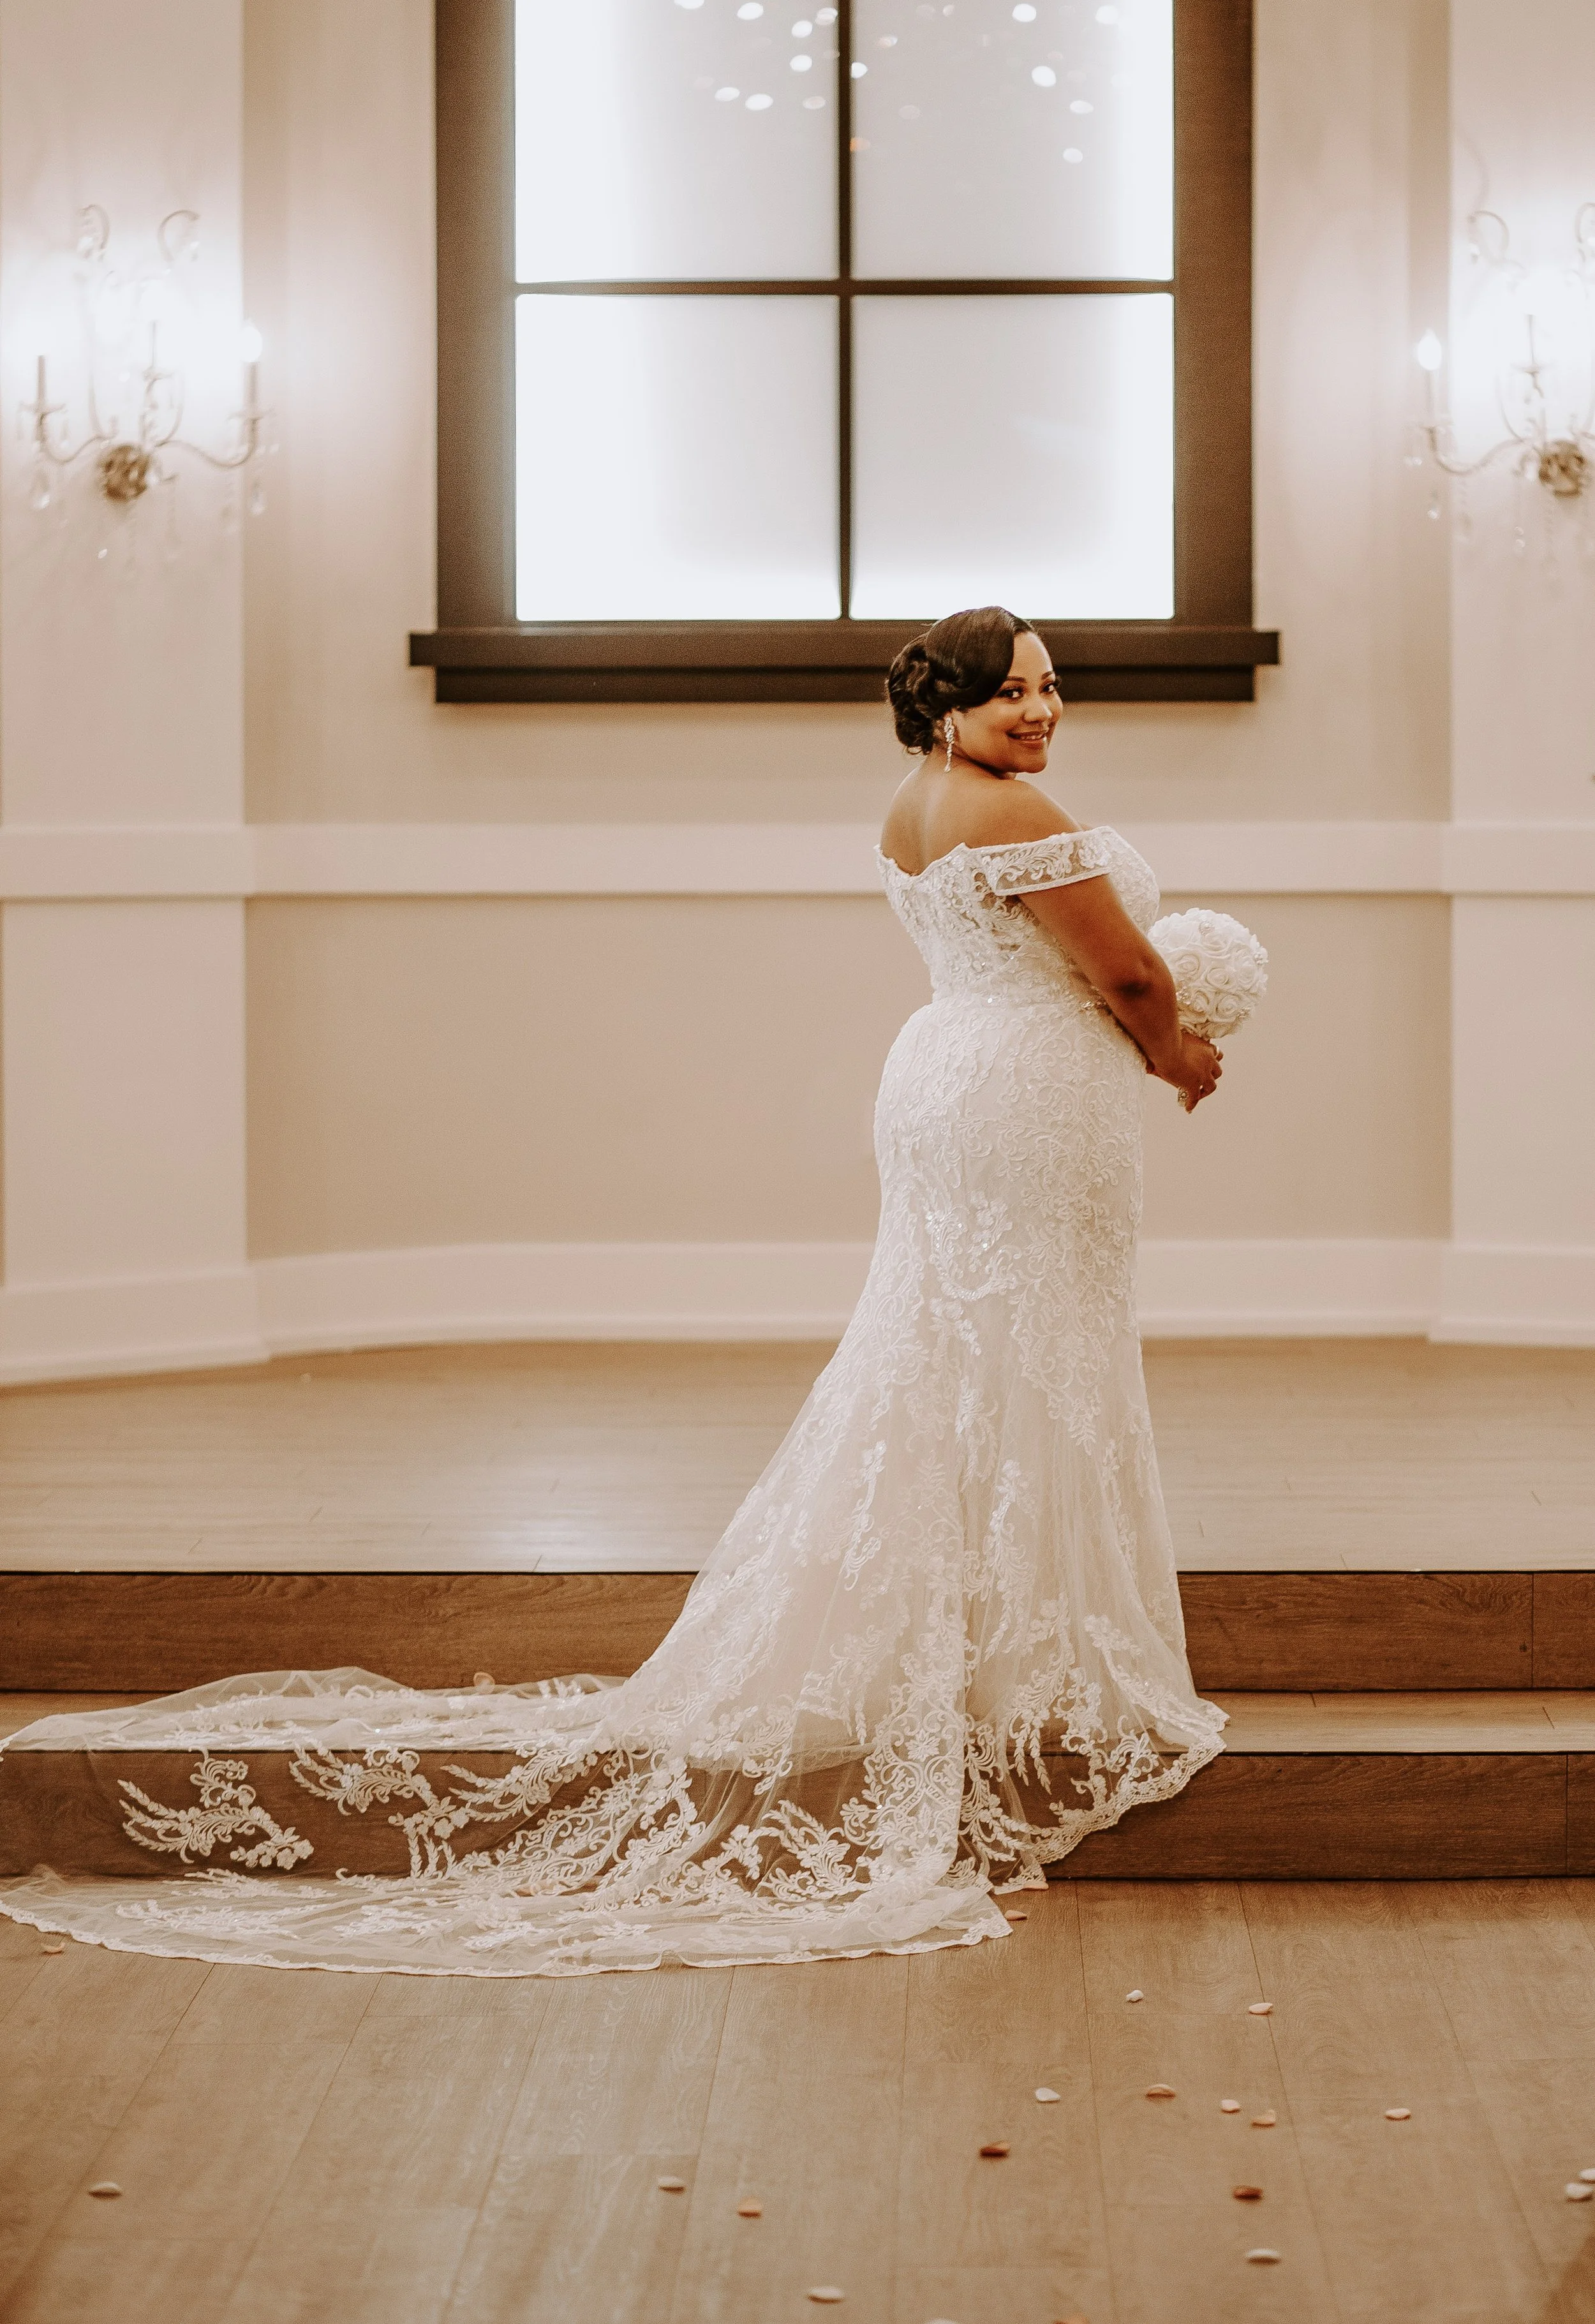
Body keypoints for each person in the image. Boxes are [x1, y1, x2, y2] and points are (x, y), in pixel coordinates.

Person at [0, 606, 1225, 1979]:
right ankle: (1023, 1658)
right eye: (1012, 696)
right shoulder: (1010, 813)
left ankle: (972, 1640)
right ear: (948, 703)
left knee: (942, 1354)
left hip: (949, 1076)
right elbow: (1118, 968)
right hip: (1021, 1097)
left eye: (1052, 690)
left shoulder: (913, 802)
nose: (1040, 714)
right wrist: (1181, 1049)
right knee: (1025, 1353)